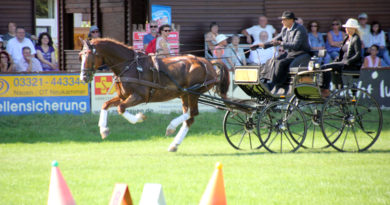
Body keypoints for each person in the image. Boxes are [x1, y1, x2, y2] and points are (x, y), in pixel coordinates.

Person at [251, 11, 311, 87]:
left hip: (301, 54)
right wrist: (261, 45)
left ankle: (275, 84)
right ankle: (265, 81)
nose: (282, 22)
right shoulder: (285, 29)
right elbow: (276, 39)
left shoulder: (300, 29)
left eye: (284, 20)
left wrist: (280, 43)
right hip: (290, 54)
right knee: (271, 61)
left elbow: (295, 45)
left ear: (291, 20)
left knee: (280, 63)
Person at [321, 18, 363, 97]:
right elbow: (342, 53)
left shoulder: (356, 39)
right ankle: (335, 87)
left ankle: (325, 89)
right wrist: (336, 61)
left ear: (353, 28)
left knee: (324, 67)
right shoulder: (347, 38)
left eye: (348, 27)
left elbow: (358, 54)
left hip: (349, 65)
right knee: (325, 67)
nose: (346, 29)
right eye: (346, 27)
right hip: (342, 62)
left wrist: (348, 62)